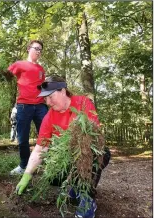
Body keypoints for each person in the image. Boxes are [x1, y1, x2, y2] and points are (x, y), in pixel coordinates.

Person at [16, 75, 111, 218]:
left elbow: (93, 135)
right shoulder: (49, 117)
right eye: (45, 99)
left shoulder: (83, 103)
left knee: (91, 155)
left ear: (62, 91)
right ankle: (75, 185)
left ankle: (87, 199)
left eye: (50, 97)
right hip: (68, 156)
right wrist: (27, 175)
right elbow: (40, 149)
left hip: (90, 152)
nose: (47, 102)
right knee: (53, 176)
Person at [7, 40, 48, 175]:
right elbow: (7, 75)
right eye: (36, 48)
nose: (38, 51)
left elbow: (43, 87)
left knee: (46, 136)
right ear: (28, 49)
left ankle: (48, 165)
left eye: (40, 49)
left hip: (41, 106)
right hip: (24, 106)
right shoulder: (19, 64)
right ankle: (24, 165)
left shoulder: (41, 69)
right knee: (23, 137)